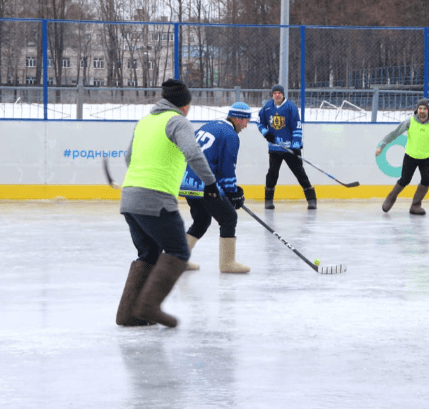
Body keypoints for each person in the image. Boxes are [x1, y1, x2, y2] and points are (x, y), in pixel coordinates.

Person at [116, 78, 219, 329]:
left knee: (148, 253)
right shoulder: (177, 121)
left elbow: (128, 158)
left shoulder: (145, 122)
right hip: (156, 198)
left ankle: (128, 314)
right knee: (179, 251)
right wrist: (211, 184)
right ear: (185, 105)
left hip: (130, 197)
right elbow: (193, 153)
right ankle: (149, 306)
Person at [179, 102, 252, 274]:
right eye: (245, 121)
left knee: (201, 220)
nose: (246, 125)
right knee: (229, 218)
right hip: (204, 183)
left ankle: (178, 260)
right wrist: (232, 192)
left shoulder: (210, 126)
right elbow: (227, 168)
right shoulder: (230, 135)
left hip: (187, 181)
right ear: (237, 118)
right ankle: (228, 263)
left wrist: (230, 191)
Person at [375, 98, 429, 215]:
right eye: (420, 108)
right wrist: (382, 145)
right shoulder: (410, 122)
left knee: (426, 181)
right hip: (411, 157)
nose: (422, 111)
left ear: (428, 111)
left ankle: (415, 205)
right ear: (417, 110)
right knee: (405, 180)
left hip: (426, 158)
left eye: (424, 109)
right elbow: (394, 133)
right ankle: (391, 198)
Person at [256, 84, 316, 209]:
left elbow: (297, 128)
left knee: (300, 173)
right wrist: (266, 133)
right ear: (272, 95)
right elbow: (259, 122)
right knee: (272, 173)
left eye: (279, 93)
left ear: (283, 94)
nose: (277, 95)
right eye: (275, 93)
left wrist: (295, 146)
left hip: (290, 149)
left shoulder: (291, 108)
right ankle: (268, 200)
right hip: (275, 148)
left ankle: (311, 200)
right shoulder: (267, 107)